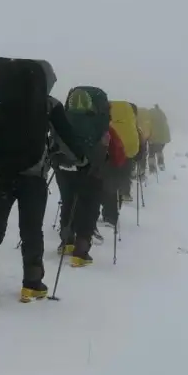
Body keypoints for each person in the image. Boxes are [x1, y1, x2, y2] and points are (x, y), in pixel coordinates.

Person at [0, 58, 85, 303]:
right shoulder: (50, 105)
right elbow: (68, 138)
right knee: (31, 229)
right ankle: (32, 283)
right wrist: (82, 160)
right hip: (33, 177)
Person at [54, 86, 127, 266]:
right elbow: (118, 156)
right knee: (89, 206)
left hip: (64, 169)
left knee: (68, 201)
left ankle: (67, 241)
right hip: (92, 171)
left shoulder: (64, 121)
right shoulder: (103, 128)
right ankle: (81, 250)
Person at [148, 104, 171, 173]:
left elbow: (148, 124)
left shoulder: (150, 113)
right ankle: (161, 163)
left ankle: (152, 168)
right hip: (163, 137)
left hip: (153, 137)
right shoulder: (162, 113)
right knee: (159, 150)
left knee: (151, 153)